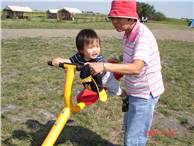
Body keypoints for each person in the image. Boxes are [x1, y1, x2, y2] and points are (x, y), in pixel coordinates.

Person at [85, 1, 165, 146]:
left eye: (118, 17)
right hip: (135, 91)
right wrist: (118, 59)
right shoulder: (128, 33)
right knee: (130, 128)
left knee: (134, 138)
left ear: (131, 17)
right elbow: (132, 55)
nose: (114, 22)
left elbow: (136, 67)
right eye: (112, 18)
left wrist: (104, 66)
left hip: (145, 93)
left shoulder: (143, 37)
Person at [52, 29, 125, 103]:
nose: (95, 50)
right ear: (81, 50)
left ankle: (124, 96)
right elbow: (69, 61)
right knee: (86, 94)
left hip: (106, 78)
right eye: (91, 48)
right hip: (92, 82)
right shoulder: (78, 57)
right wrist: (59, 60)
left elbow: (100, 68)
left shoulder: (98, 58)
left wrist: (91, 66)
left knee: (116, 91)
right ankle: (99, 90)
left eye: (97, 46)